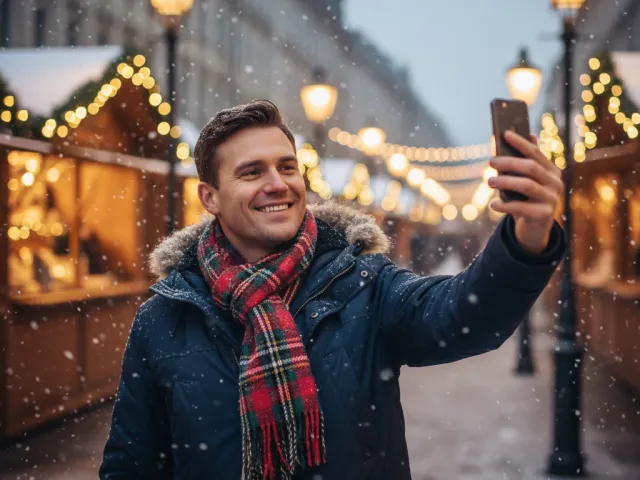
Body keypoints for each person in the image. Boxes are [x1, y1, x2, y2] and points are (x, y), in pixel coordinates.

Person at [99, 99, 565, 480]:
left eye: (287, 166)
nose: (277, 184)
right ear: (210, 198)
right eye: (251, 172)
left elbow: (464, 317)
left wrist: (526, 239)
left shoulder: (363, 283)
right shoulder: (166, 317)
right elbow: (131, 463)